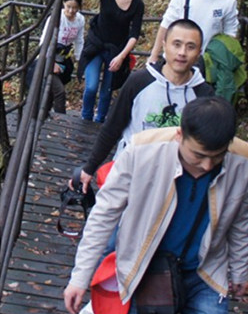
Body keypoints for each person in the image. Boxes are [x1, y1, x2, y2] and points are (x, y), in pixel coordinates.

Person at [63, 96, 248, 314]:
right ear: (180, 135)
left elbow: (242, 219)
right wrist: (80, 277)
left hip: (206, 272)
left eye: (217, 156)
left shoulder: (246, 163)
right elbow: (104, 214)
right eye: (198, 155)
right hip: (148, 267)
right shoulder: (142, 151)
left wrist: (239, 270)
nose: (208, 165)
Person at [73, 19, 214, 195]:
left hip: (175, 179)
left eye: (190, 47)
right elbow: (113, 126)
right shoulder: (140, 81)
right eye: (176, 44)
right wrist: (89, 168)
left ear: (199, 53)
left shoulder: (204, 95)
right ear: (164, 45)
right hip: (129, 171)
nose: (182, 53)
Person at [57, 0, 145, 123]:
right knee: (91, 87)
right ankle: (86, 119)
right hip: (96, 44)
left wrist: (121, 57)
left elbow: (134, 34)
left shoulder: (137, 4)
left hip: (116, 50)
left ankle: (100, 121)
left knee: (107, 91)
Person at [29, 0, 85, 115]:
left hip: (63, 58)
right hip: (47, 57)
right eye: (68, 6)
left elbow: (79, 40)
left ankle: (43, 115)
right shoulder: (56, 17)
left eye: (75, 7)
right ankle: (61, 120)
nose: (71, 10)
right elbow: (44, 41)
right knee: (59, 92)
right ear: (63, 3)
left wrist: (80, 60)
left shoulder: (80, 19)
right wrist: (51, 62)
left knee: (51, 90)